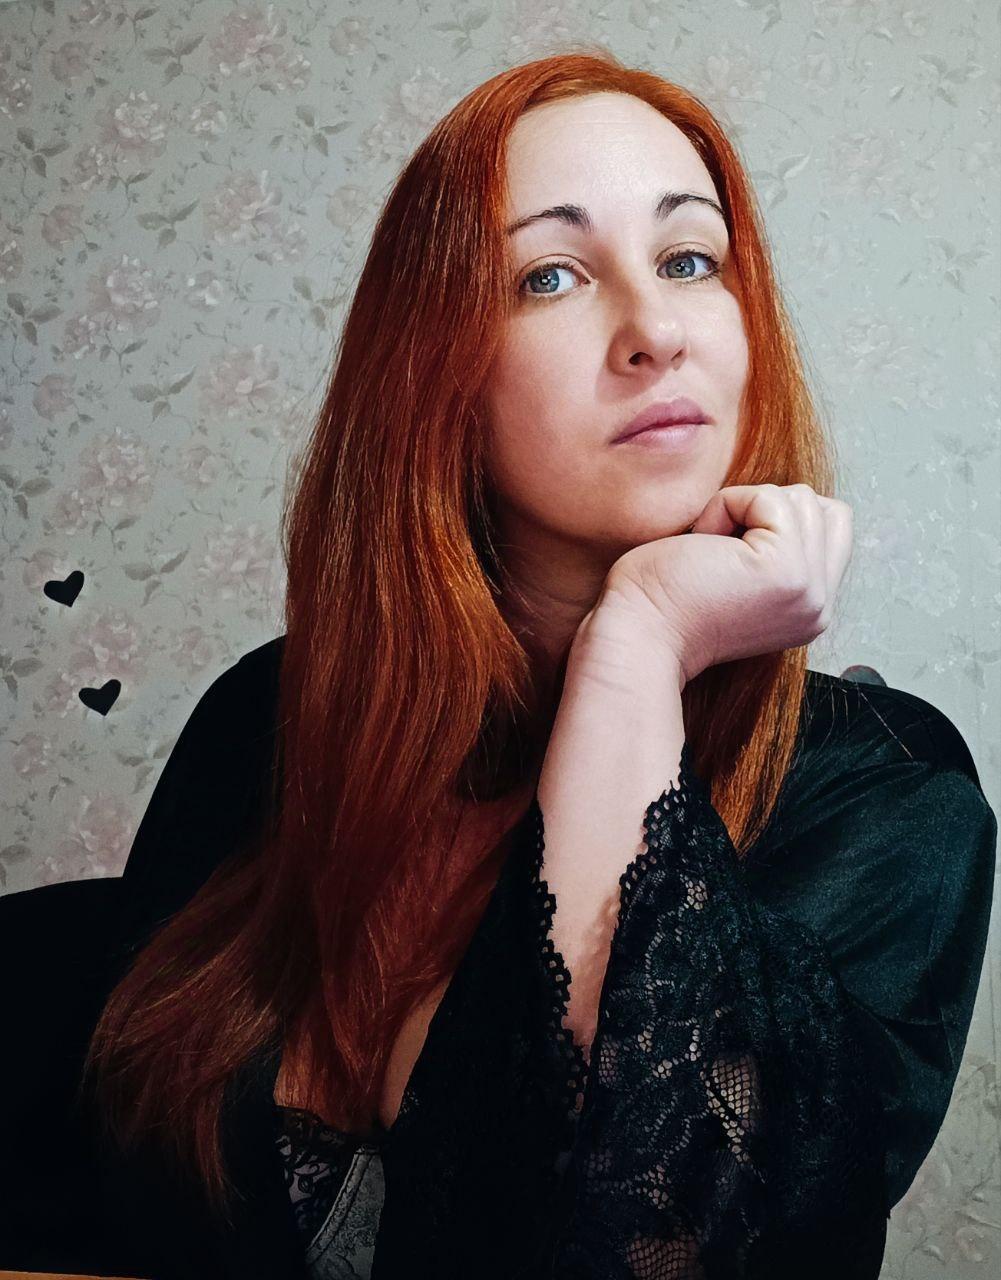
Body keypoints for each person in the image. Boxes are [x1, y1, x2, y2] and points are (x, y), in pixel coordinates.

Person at [1, 48, 996, 1280]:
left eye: (690, 259)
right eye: (547, 275)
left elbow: (660, 1238)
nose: (654, 332)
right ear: (434, 372)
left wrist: (639, 639)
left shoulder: (885, 797)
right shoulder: (271, 714)